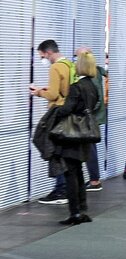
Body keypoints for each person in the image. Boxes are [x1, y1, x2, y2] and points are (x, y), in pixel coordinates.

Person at [50, 51, 99, 225]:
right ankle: (82, 209)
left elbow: (66, 109)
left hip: (72, 135)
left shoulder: (77, 87)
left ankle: (74, 212)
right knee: (78, 171)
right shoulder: (93, 87)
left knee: (71, 173)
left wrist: (55, 112)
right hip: (85, 135)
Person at [32, 39, 73, 205]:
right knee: (64, 152)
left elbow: (53, 94)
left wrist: (38, 92)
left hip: (57, 112)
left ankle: (60, 189)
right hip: (69, 112)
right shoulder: (69, 65)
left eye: (42, 56)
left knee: (52, 150)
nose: (43, 59)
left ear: (48, 52)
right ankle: (65, 188)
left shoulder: (56, 67)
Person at [75, 46, 107, 192]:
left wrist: (87, 112)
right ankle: (94, 179)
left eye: (77, 57)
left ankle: (94, 180)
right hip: (92, 117)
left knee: (89, 148)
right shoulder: (96, 73)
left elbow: (97, 98)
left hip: (90, 118)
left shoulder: (92, 76)